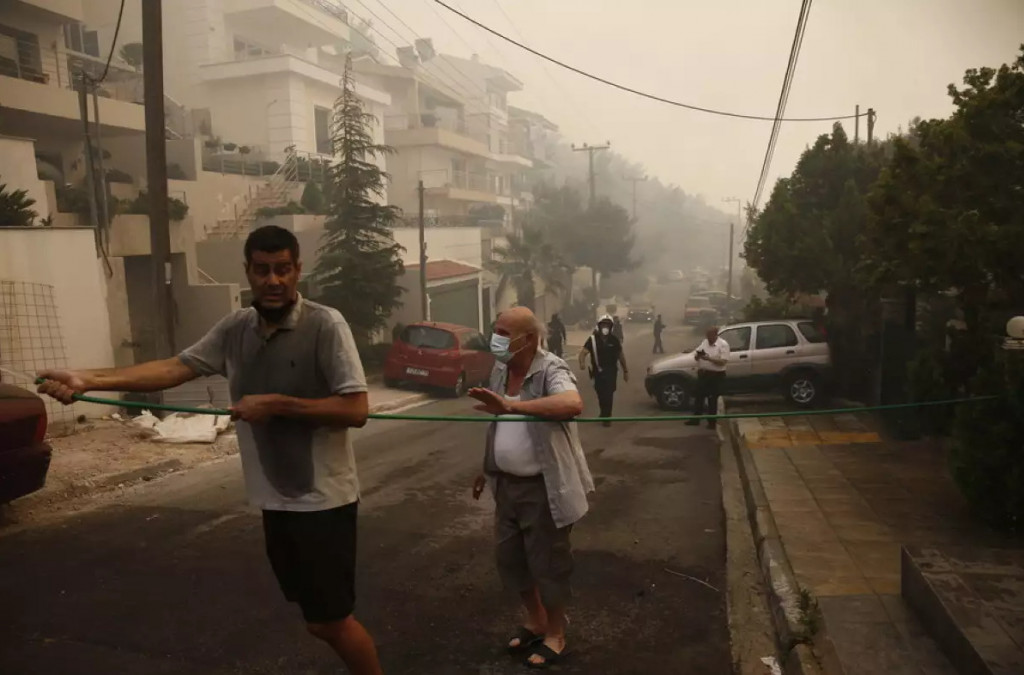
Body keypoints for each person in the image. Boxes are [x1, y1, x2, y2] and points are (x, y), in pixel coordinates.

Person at [36, 225, 384, 675]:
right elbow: (174, 368)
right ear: (248, 272)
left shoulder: (325, 324)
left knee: (330, 621)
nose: (273, 280)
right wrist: (89, 380)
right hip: (274, 499)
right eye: (262, 270)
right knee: (318, 619)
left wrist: (275, 404)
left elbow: (356, 409)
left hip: (323, 502)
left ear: (298, 271)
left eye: (283, 269)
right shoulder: (236, 327)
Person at [469, 306, 592, 669]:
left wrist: (510, 404)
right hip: (505, 485)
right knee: (510, 560)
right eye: (496, 330)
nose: (497, 338)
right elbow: (499, 426)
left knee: (549, 565)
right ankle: (536, 619)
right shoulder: (500, 369)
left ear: (530, 339)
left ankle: (556, 632)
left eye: (505, 333)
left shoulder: (551, 368)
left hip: (543, 488)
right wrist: (485, 466)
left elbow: (573, 403)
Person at [578, 314, 628, 427]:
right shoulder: (592, 340)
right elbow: (583, 353)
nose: (605, 327)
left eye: (607, 325)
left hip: (611, 372)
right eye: (603, 325)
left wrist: (625, 371)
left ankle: (607, 417)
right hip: (598, 373)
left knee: (609, 394)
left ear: (611, 327)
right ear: (599, 326)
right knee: (600, 393)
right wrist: (582, 363)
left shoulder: (614, 340)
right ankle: (603, 412)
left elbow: (621, 355)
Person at [686, 326, 730, 430]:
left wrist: (709, 358)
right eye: (707, 336)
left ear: (715, 335)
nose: (708, 338)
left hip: (715, 376)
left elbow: (723, 362)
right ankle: (695, 419)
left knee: (712, 399)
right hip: (703, 374)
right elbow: (697, 353)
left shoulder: (723, 345)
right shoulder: (705, 342)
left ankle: (712, 422)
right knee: (699, 397)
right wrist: (698, 356)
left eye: (710, 336)